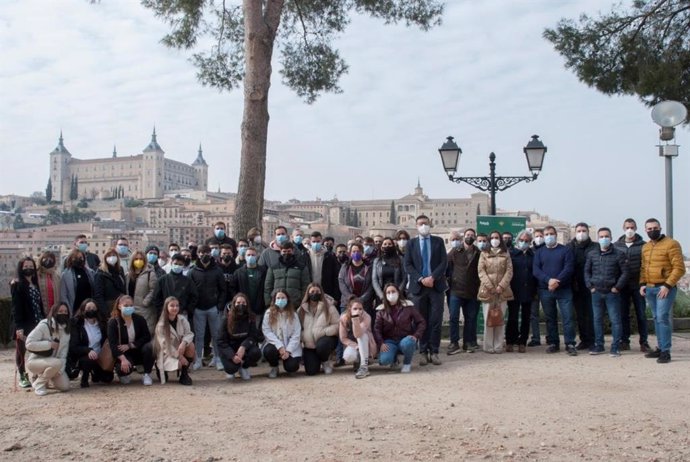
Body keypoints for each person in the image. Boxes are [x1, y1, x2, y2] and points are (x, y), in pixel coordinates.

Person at [639, 218, 686, 364]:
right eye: (649, 228)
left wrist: (667, 285)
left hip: (664, 288)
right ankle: (659, 347)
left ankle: (666, 351)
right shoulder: (645, 247)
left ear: (660, 228)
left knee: (662, 317)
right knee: (655, 318)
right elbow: (643, 267)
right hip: (650, 287)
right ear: (645, 230)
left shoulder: (672, 244)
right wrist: (642, 284)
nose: (652, 230)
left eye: (655, 228)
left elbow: (679, 268)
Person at [403, 215, 448, 366]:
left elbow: (443, 262)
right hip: (418, 288)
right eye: (421, 224)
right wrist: (421, 279)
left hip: (436, 286)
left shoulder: (438, 241)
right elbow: (408, 265)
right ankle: (422, 351)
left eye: (426, 223)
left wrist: (432, 277)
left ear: (430, 224)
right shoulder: (411, 243)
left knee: (436, 320)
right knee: (420, 321)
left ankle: (434, 351)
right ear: (416, 226)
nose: (423, 226)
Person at [584, 228, 629, 357]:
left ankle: (615, 347)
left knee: (615, 320)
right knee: (597, 320)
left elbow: (625, 272)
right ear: (598, 239)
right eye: (602, 236)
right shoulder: (592, 254)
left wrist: (617, 287)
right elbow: (586, 271)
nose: (604, 239)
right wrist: (590, 286)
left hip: (612, 293)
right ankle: (599, 345)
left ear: (611, 237)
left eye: (606, 236)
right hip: (596, 292)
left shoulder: (619, 254)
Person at [533, 226, 577, 356]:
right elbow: (536, 270)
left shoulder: (565, 250)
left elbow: (569, 268)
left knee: (568, 317)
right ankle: (554, 343)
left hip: (564, 289)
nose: (548, 236)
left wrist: (557, 281)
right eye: (546, 234)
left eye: (551, 234)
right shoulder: (539, 252)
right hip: (546, 289)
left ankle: (570, 343)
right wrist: (548, 281)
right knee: (550, 318)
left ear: (556, 235)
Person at [613, 218, 650, 352]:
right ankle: (624, 341)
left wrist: (644, 283)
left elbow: (646, 266)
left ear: (636, 228)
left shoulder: (644, 245)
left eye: (632, 227)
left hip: (638, 285)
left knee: (641, 314)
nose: (630, 230)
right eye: (627, 227)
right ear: (623, 228)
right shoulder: (616, 245)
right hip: (622, 286)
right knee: (623, 314)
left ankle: (644, 342)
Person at [189, 245, 226, 371]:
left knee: (216, 335)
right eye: (201, 252)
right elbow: (189, 291)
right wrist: (193, 306)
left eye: (206, 252)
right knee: (199, 336)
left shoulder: (217, 270)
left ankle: (218, 358)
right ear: (197, 254)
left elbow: (223, 289)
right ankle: (198, 359)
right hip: (198, 309)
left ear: (210, 254)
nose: (204, 255)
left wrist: (219, 306)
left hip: (213, 308)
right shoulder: (193, 271)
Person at [374, 284, 426, 373]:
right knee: (384, 360)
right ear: (385, 295)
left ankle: (407, 363)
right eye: (388, 292)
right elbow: (376, 329)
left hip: (405, 339)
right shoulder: (381, 311)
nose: (391, 294)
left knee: (409, 342)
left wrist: (416, 335)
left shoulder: (408, 306)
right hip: (389, 341)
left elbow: (421, 322)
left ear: (398, 292)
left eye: (393, 291)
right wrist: (381, 343)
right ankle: (394, 359)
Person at [477, 231, 514, 353]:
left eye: (496, 237)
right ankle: (488, 346)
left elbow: (509, 271)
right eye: (492, 237)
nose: (494, 239)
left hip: (502, 292)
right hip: (488, 291)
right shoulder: (484, 253)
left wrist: (501, 287)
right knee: (488, 318)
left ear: (500, 239)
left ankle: (498, 346)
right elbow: (481, 271)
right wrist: (491, 287)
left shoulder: (505, 253)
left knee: (500, 319)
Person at [11, 257, 45, 389]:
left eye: (31, 266)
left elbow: (38, 304)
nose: (28, 268)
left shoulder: (35, 284)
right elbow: (16, 307)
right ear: (21, 268)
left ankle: (36, 374)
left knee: (37, 349)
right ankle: (22, 375)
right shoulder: (17, 284)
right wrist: (19, 327)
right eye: (25, 266)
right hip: (23, 323)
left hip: (37, 322)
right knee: (21, 350)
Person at [446, 229, 481, 354]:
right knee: (454, 317)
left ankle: (468, 343)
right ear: (464, 237)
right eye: (467, 235)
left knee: (470, 318)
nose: (469, 237)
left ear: (475, 237)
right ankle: (454, 343)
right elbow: (447, 268)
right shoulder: (455, 251)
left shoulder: (478, 252)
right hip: (456, 290)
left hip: (473, 291)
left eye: (472, 235)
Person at [24, 303, 71, 396]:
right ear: (54, 312)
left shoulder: (67, 331)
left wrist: (60, 370)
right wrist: (49, 344)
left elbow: (63, 354)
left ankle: (47, 376)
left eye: (65, 311)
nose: (63, 313)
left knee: (65, 386)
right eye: (60, 311)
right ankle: (38, 384)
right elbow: (29, 343)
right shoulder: (44, 325)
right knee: (57, 363)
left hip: (55, 364)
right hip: (35, 362)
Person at [107, 294, 154, 385]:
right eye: (126, 306)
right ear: (119, 306)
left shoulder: (140, 319)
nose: (129, 308)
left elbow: (146, 336)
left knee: (150, 347)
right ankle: (124, 373)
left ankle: (147, 374)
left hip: (137, 349)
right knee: (124, 375)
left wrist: (131, 345)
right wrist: (123, 359)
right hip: (123, 354)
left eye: (131, 306)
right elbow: (113, 344)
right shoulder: (113, 322)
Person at [68, 298, 114, 387]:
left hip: (100, 356)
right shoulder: (76, 323)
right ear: (83, 309)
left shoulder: (102, 323)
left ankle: (94, 372)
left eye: (93, 308)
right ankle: (84, 376)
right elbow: (73, 346)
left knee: (107, 379)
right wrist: (88, 350)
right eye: (88, 308)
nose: (91, 310)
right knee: (88, 360)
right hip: (84, 355)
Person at [567, 223, 598, 351]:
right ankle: (584, 340)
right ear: (575, 232)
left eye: (583, 230)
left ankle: (593, 340)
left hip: (592, 286)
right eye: (579, 230)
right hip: (576, 286)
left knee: (592, 314)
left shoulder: (595, 247)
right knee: (580, 315)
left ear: (588, 232)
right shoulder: (569, 247)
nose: (581, 233)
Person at [298, 283, 340, 376]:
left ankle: (325, 361)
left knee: (322, 346)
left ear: (321, 292)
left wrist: (323, 332)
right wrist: (303, 337)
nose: (315, 293)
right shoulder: (301, 310)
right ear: (308, 293)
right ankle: (317, 360)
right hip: (309, 345)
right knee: (311, 371)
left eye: (317, 291)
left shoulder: (329, 307)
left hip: (326, 339)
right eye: (312, 291)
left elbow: (337, 325)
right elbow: (297, 328)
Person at [217, 293, 262, 381]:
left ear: (247, 304)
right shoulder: (226, 319)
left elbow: (253, 336)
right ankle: (232, 369)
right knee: (231, 368)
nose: (241, 305)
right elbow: (221, 341)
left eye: (243, 302)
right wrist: (232, 356)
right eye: (238, 303)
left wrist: (243, 347)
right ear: (234, 304)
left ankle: (244, 368)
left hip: (243, 348)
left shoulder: (251, 317)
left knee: (256, 353)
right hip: (229, 349)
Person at [507, 230, 537, 353]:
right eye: (522, 240)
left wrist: (535, 290)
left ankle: (522, 341)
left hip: (528, 290)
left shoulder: (533, 255)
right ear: (517, 240)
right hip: (514, 290)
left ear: (530, 242)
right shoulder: (511, 254)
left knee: (526, 318)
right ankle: (510, 341)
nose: (524, 242)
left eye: (527, 241)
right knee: (512, 317)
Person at [153, 296, 195, 385]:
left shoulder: (182, 319)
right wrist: (179, 356)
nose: (175, 308)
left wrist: (184, 343)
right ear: (166, 307)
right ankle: (160, 368)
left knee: (191, 345)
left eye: (177, 305)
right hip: (167, 352)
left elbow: (189, 333)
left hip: (180, 348)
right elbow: (164, 345)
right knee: (179, 363)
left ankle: (184, 374)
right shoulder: (161, 324)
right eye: (172, 306)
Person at [262, 289, 302, 377]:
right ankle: (274, 367)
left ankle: (288, 364)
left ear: (287, 299)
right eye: (278, 298)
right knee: (269, 351)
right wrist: (279, 346)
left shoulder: (293, 315)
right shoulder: (268, 314)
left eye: (283, 298)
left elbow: (296, 335)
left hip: (290, 347)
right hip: (275, 345)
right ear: (274, 300)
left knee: (292, 367)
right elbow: (267, 331)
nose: (280, 300)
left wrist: (288, 350)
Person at [230, 247, 267, 333]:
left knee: (257, 332)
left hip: (258, 308)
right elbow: (232, 288)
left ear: (257, 256)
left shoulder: (263, 271)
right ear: (245, 256)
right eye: (248, 255)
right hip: (243, 309)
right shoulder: (238, 272)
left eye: (253, 255)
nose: (251, 257)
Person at [153, 253, 198, 323]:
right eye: (176, 263)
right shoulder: (162, 280)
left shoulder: (188, 281)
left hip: (182, 314)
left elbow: (194, 297)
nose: (177, 266)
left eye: (180, 264)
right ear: (171, 263)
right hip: (165, 314)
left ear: (183, 265)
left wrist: (187, 309)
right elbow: (156, 297)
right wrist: (162, 310)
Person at [339, 297, 377, 379]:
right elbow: (343, 338)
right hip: (353, 344)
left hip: (366, 343)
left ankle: (364, 367)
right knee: (348, 356)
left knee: (361, 336)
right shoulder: (344, 317)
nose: (358, 311)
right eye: (355, 308)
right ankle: (357, 361)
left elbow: (358, 334)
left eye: (360, 309)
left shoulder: (367, 317)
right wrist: (356, 346)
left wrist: (355, 320)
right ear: (350, 309)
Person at [264, 242, 310, 309]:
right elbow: (268, 286)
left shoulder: (301, 267)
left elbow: (305, 286)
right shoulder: (273, 267)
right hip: (277, 303)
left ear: (292, 251)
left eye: (289, 251)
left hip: (295, 304)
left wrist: (302, 301)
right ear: (280, 251)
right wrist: (268, 303)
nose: (286, 253)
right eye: (284, 251)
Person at [126, 250, 159, 335]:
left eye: (141, 259)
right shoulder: (128, 275)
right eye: (136, 259)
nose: (138, 261)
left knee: (146, 333)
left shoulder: (150, 273)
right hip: (130, 309)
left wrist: (145, 302)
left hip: (145, 309)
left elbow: (154, 289)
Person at [339, 242, 375, 318]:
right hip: (347, 303)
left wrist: (361, 299)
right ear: (350, 253)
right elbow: (341, 282)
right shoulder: (345, 267)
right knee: (347, 326)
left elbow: (371, 285)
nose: (356, 253)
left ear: (362, 253)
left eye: (358, 251)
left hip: (364, 304)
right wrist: (350, 297)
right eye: (354, 251)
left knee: (363, 327)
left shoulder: (369, 267)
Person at [307, 231, 341, 306]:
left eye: (318, 241)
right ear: (310, 242)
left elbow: (336, 277)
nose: (316, 243)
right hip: (310, 293)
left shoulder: (329, 257)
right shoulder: (306, 256)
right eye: (314, 241)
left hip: (326, 293)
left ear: (322, 241)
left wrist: (335, 297)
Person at [60, 249, 96, 316]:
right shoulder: (65, 275)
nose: (79, 259)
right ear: (71, 259)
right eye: (76, 257)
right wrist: (69, 311)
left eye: (81, 257)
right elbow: (63, 295)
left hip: (89, 308)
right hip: (74, 309)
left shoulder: (90, 272)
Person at [93, 249, 126, 318]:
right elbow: (98, 296)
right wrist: (106, 313)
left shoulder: (120, 271)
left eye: (114, 255)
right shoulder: (100, 273)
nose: (112, 257)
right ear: (105, 258)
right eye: (109, 255)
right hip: (108, 307)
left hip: (121, 306)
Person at [372, 237, 406, 305]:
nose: (387, 246)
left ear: (393, 246)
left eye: (390, 244)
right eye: (385, 244)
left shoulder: (400, 259)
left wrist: (398, 293)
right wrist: (382, 296)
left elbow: (404, 278)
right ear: (381, 246)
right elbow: (374, 279)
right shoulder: (377, 261)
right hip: (381, 295)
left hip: (397, 294)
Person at [527, 228, 545, 347]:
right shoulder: (530, 251)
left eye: (541, 236)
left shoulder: (548, 250)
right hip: (533, 287)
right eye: (536, 236)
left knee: (549, 313)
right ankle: (536, 338)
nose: (539, 238)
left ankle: (551, 337)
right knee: (533, 315)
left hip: (545, 286)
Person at [36, 251, 61, 317]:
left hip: (54, 312)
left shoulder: (56, 276)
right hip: (40, 311)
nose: (48, 261)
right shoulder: (36, 275)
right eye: (46, 258)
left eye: (51, 259)